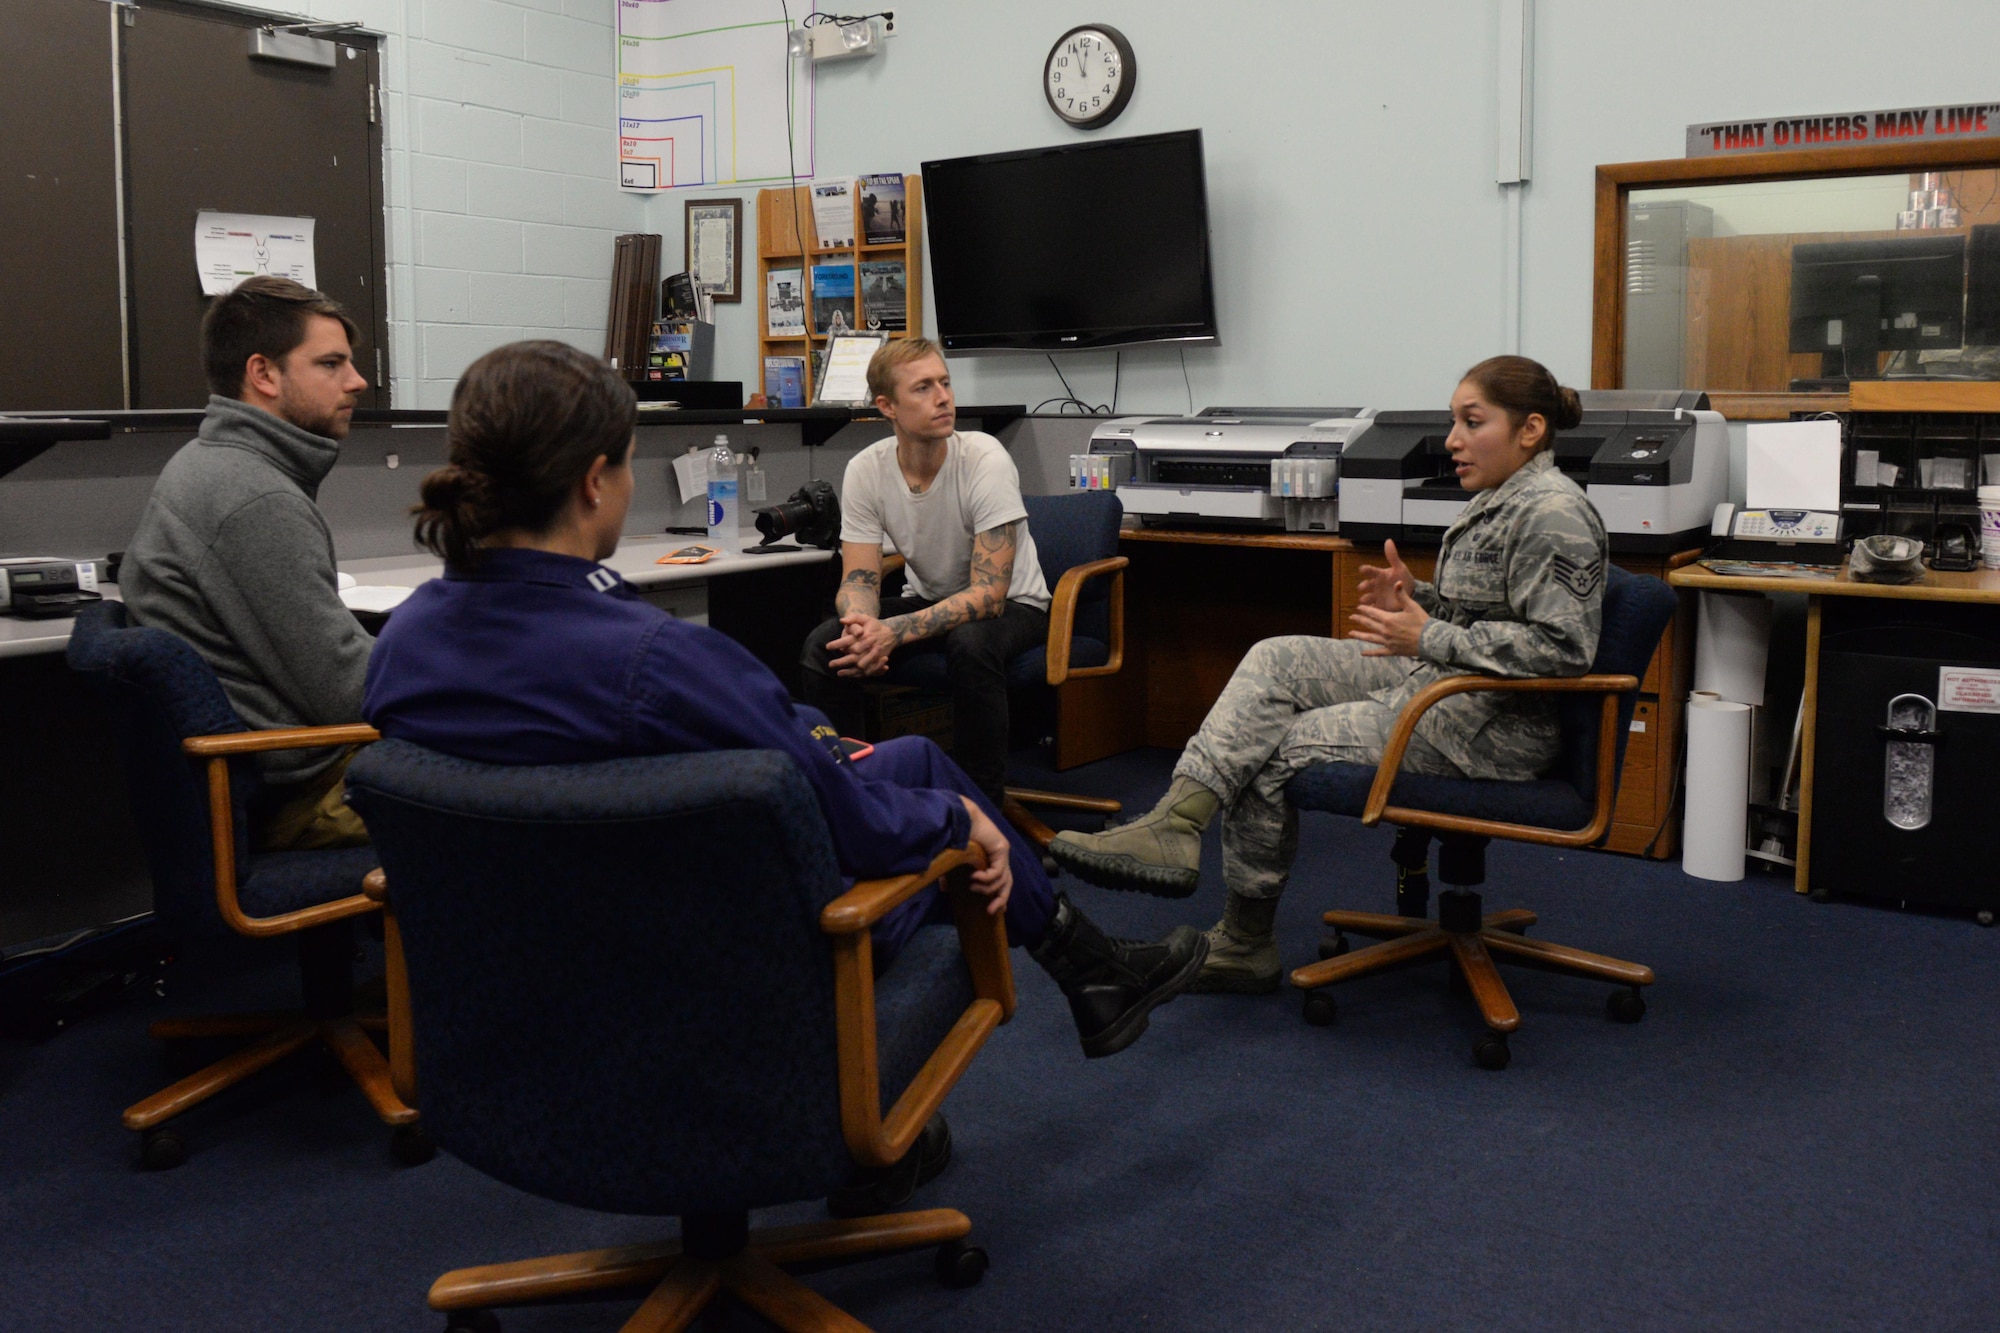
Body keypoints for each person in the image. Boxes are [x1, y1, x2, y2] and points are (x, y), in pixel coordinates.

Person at [363, 341, 1206, 1068]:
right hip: (732, 950)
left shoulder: (404, 645)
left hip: (535, 964)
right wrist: (956, 824)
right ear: (595, 482)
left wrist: (810, 730)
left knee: (904, 757)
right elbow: (858, 829)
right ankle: (1041, 986)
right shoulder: (664, 661)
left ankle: (1091, 966)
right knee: (931, 800)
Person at [1049, 356, 1608, 995]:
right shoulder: (1500, 500)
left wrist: (1428, 633)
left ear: (1531, 429)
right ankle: (1177, 822)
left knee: (1277, 747)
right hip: (1443, 685)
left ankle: (1245, 940)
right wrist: (1419, 597)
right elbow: (1494, 612)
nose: (1452, 439)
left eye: (1471, 422)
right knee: (1274, 656)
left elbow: (1563, 648)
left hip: (1489, 726)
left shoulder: (1553, 512)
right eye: (1454, 420)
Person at [120, 275, 373, 851]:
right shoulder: (255, 497)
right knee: (515, 787)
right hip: (308, 794)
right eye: (331, 364)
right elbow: (348, 690)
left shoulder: (214, 462)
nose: (357, 382)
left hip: (279, 771)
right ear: (264, 375)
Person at [798, 338, 1051, 806]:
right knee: (826, 644)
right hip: (931, 599)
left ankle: (982, 808)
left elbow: (989, 596)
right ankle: (853, 796)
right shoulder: (865, 470)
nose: (943, 397)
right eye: (924, 388)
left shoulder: (984, 457)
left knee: (970, 643)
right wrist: (863, 628)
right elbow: (859, 580)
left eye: (945, 383)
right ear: (887, 406)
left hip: (1018, 606)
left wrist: (893, 632)